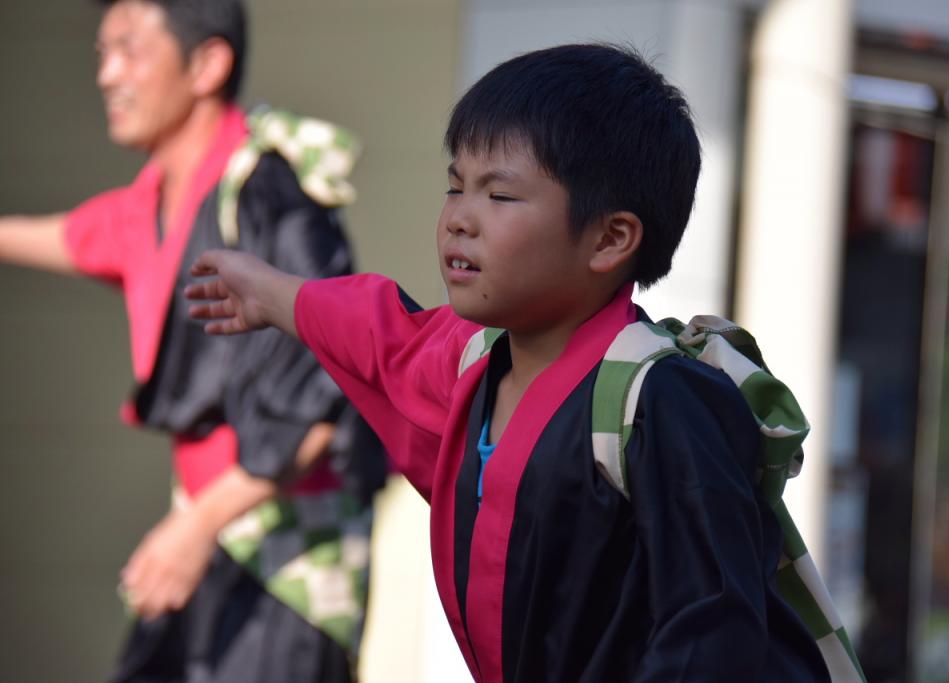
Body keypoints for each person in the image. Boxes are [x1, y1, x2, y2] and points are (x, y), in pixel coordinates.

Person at [187, 44, 832, 681]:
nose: (458, 219)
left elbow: (711, 637)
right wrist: (270, 293)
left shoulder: (665, 401)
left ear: (610, 239)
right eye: (455, 185)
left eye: (499, 196)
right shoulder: (474, 360)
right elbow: (382, 338)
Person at [0, 0, 384, 681]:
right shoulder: (152, 198)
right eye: (101, 53)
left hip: (289, 558)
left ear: (207, 63)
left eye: (130, 49)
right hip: (206, 531)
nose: (107, 73)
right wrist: (197, 526)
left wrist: (199, 525)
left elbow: (324, 387)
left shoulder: (268, 188)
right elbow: (66, 235)